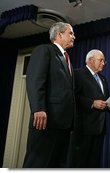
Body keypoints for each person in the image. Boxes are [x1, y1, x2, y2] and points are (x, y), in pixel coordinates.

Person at [23, 22, 76, 168]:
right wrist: (38, 108)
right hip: (45, 121)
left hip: (63, 124)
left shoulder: (67, 59)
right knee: (37, 164)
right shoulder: (44, 50)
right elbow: (35, 80)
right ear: (59, 35)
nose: (74, 37)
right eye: (70, 33)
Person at [69, 49, 110, 168]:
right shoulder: (78, 74)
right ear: (90, 60)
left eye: (104, 61)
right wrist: (91, 103)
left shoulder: (103, 79)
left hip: (99, 129)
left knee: (94, 164)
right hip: (83, 128)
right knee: (80, 163)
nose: (103, 63)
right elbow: (72, 97)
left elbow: (104, 101)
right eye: (101, 60)